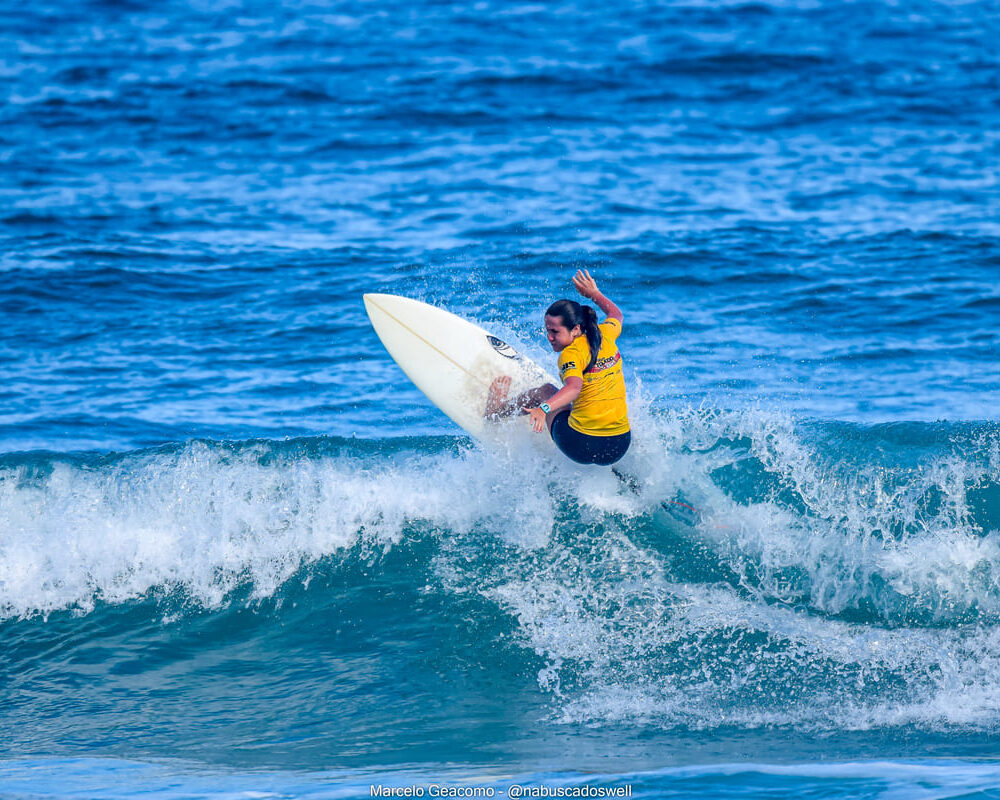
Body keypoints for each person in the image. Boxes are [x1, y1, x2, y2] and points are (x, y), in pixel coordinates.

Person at [485, 270, 630, 466]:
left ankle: (496, 411)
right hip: (619, 446)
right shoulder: (607, 333)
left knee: (545, 390)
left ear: (576, 329)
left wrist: (543, 408)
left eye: (555, 332)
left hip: (580, 446)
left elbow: (573, 388)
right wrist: (594, 293)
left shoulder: (570, 354)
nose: (549, 337)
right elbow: (616, 314)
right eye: (547, 331)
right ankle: (617, 473)